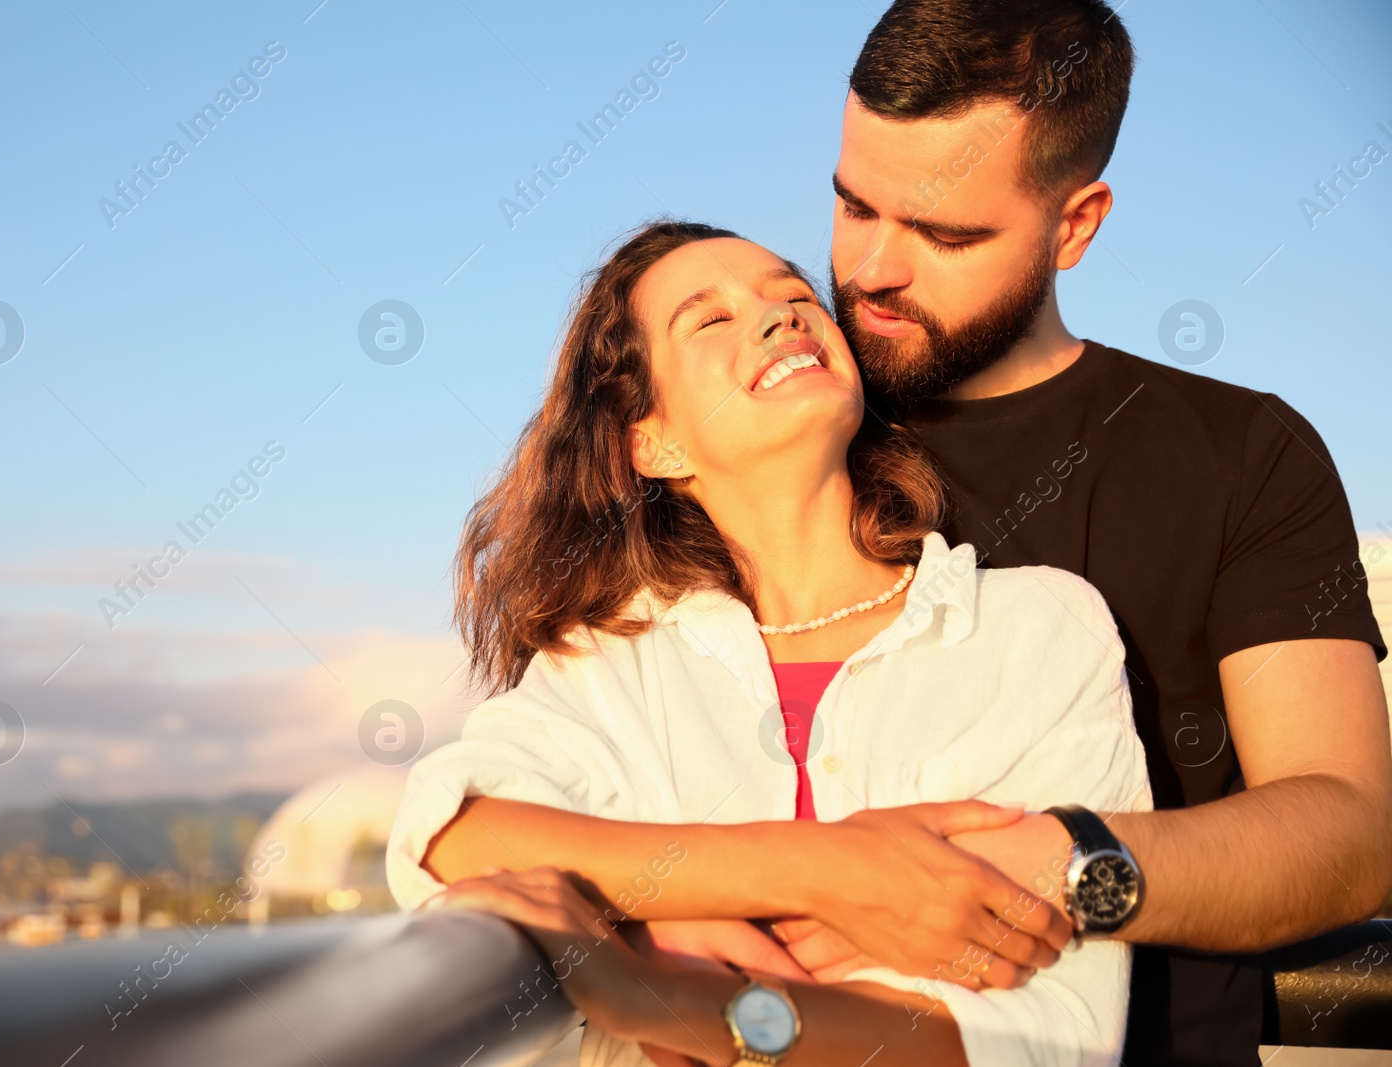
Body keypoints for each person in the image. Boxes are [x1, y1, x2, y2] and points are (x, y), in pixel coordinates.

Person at [388, 221, 1152, 1067]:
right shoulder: (609, 660)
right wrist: (828, 870)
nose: (783, 317)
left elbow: (1048, 1039)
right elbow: (451, 834)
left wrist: (660, 983)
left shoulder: (1039, 629)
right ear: (655, 442)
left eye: (794, 296)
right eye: (709, 320)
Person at [822, 1, 1390, 1063]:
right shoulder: (765, 421)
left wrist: (1046, 867)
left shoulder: (1240, 451)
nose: (871, 270)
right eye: (853, 205)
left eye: (944, 234)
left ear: (1075, 224)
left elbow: (1347, 832)